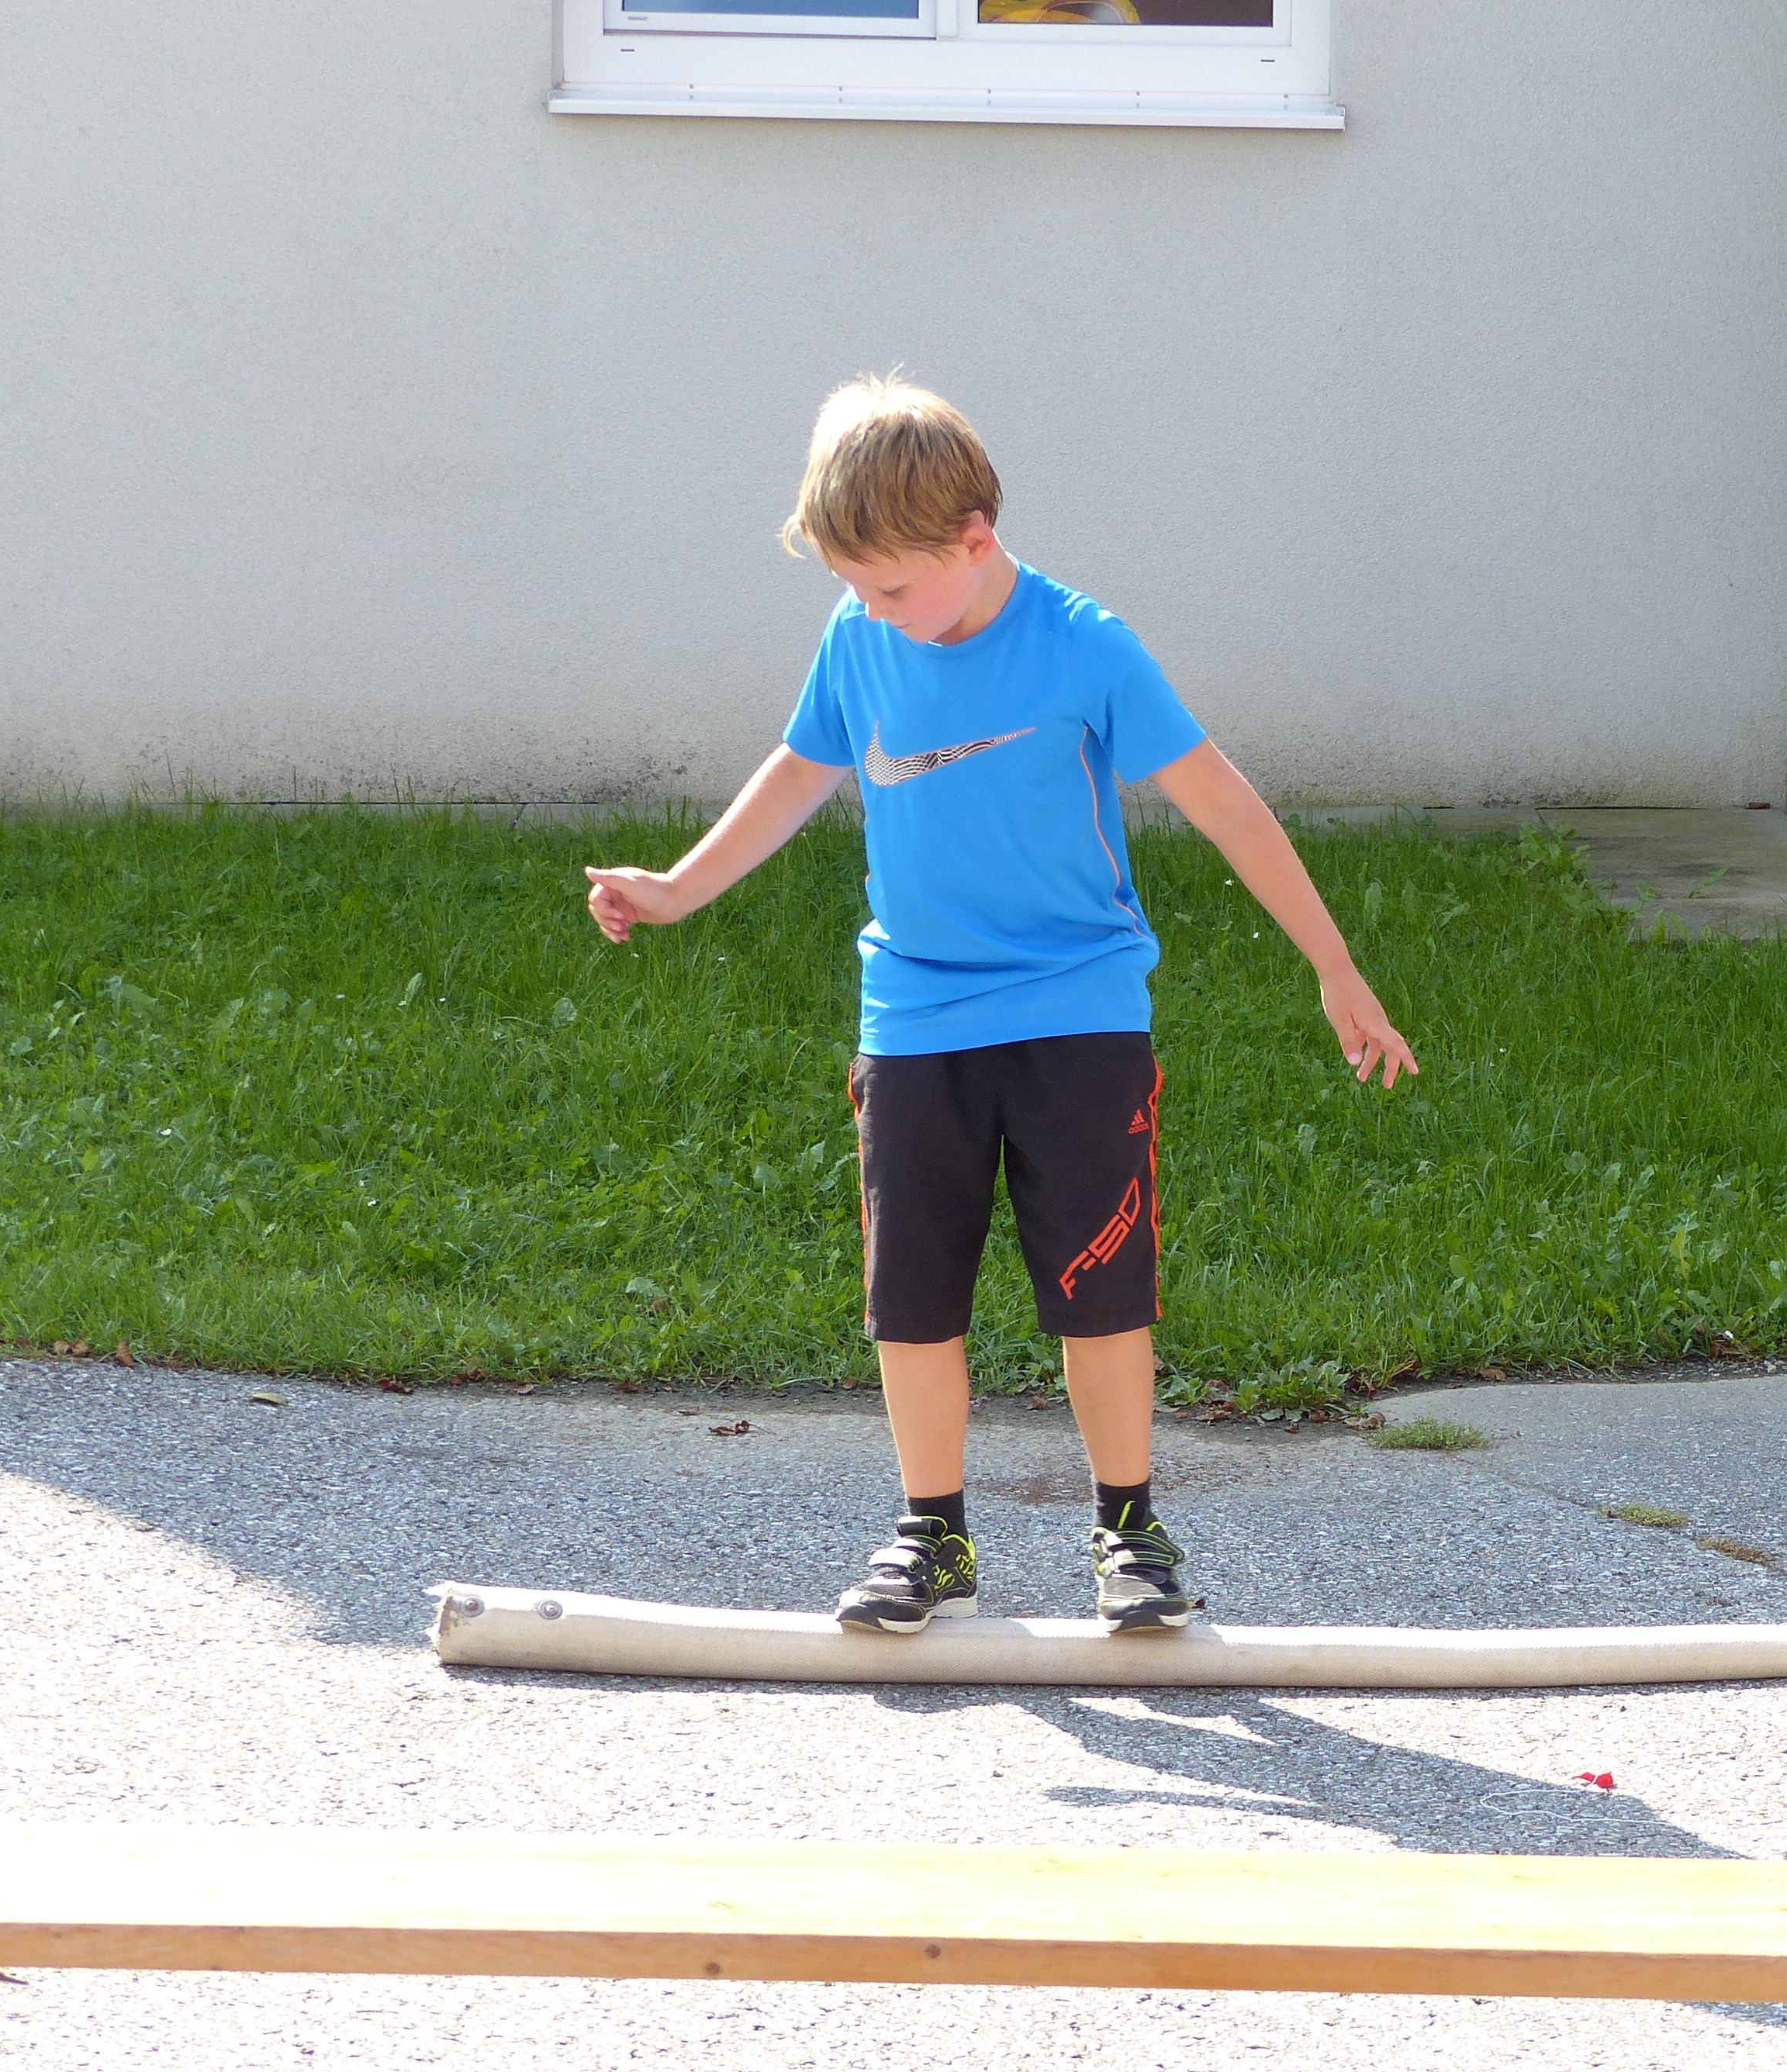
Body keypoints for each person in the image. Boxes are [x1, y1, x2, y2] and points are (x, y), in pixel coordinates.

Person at [582, 375, 1415, 1636]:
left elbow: (1226, 804)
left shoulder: (1085, 645)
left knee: (1099, 1287)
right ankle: (933, 1536)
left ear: (974, 539)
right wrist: (677, 889)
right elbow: (798, 772)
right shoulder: (859, 637)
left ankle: (1130, 1528)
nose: (872, 611)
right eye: (855, 589)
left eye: (890, 588)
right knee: (912, 1298)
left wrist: (1334, 964)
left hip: (1078, 1010)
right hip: (915, 1018)